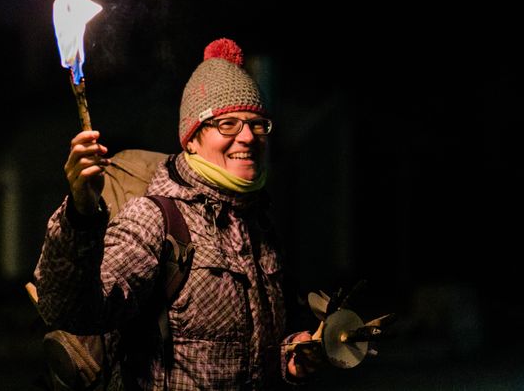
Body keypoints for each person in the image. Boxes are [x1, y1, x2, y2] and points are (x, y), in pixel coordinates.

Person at [33, 38, 322, 390]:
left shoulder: (259, 222)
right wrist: (80, 215)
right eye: (227, 124)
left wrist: (289, 357)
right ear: (192, 140)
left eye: (257, 123)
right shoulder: (157, 219)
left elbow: (247, 347)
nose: (248, 136)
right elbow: (75, 311)